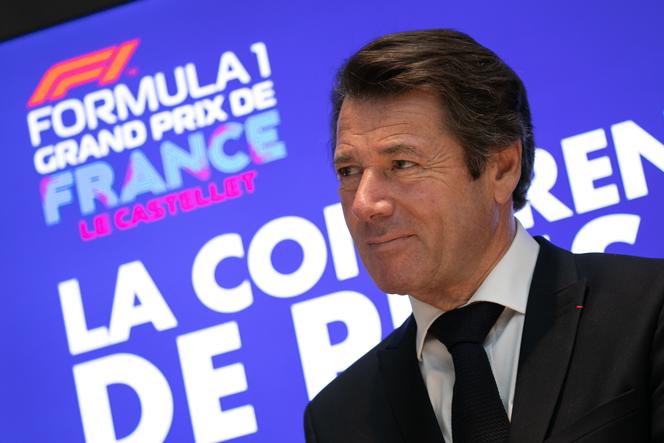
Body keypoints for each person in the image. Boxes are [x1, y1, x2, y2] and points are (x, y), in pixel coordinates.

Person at [303, 29, 664, 443]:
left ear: (502, 168)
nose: (364, 203)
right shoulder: (336, 420)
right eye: (348, 171)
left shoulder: (648, 308)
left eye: (402, 164)